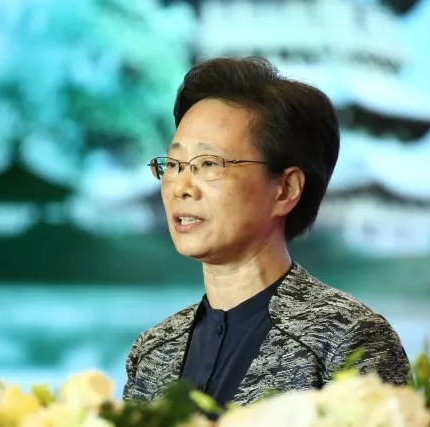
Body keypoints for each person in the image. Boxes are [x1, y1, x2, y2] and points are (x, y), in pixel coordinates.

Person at [122, 57, 411, 406]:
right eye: (174, 164)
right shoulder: (152, 350)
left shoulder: (347, 339)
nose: (181, 187)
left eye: (209, 163)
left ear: (286, 189)